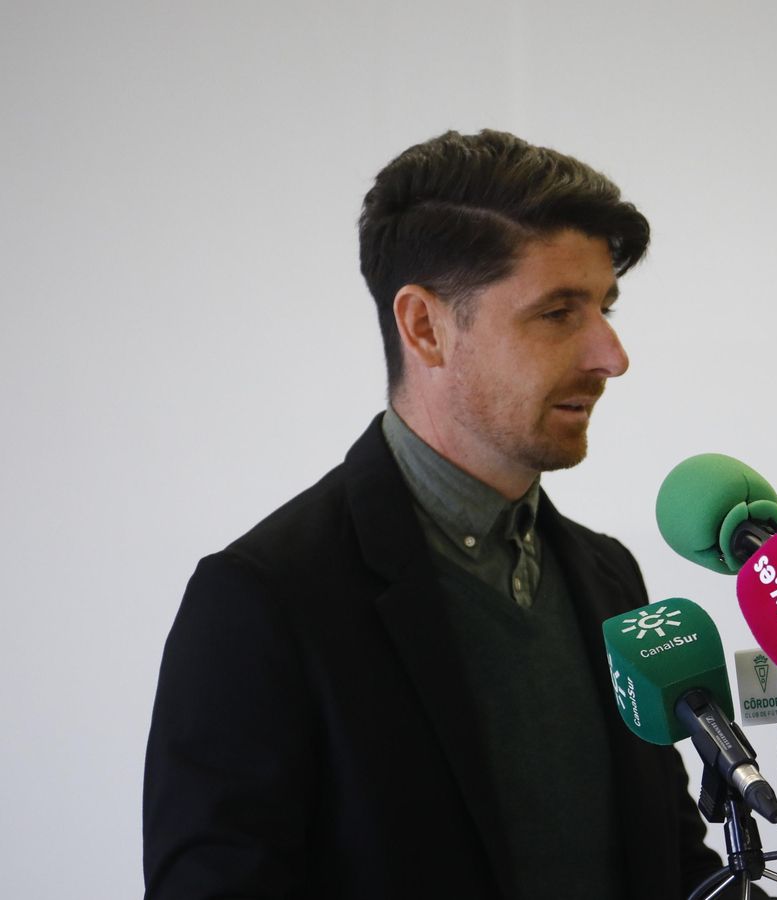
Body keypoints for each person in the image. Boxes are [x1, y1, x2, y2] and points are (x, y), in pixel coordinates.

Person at [142, 130, 744, 899]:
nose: (610, 354)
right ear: (425, 326)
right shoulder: (264, 600)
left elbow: (674, 869)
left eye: (604, 307)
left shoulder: (608, 576)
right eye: (559, 312)